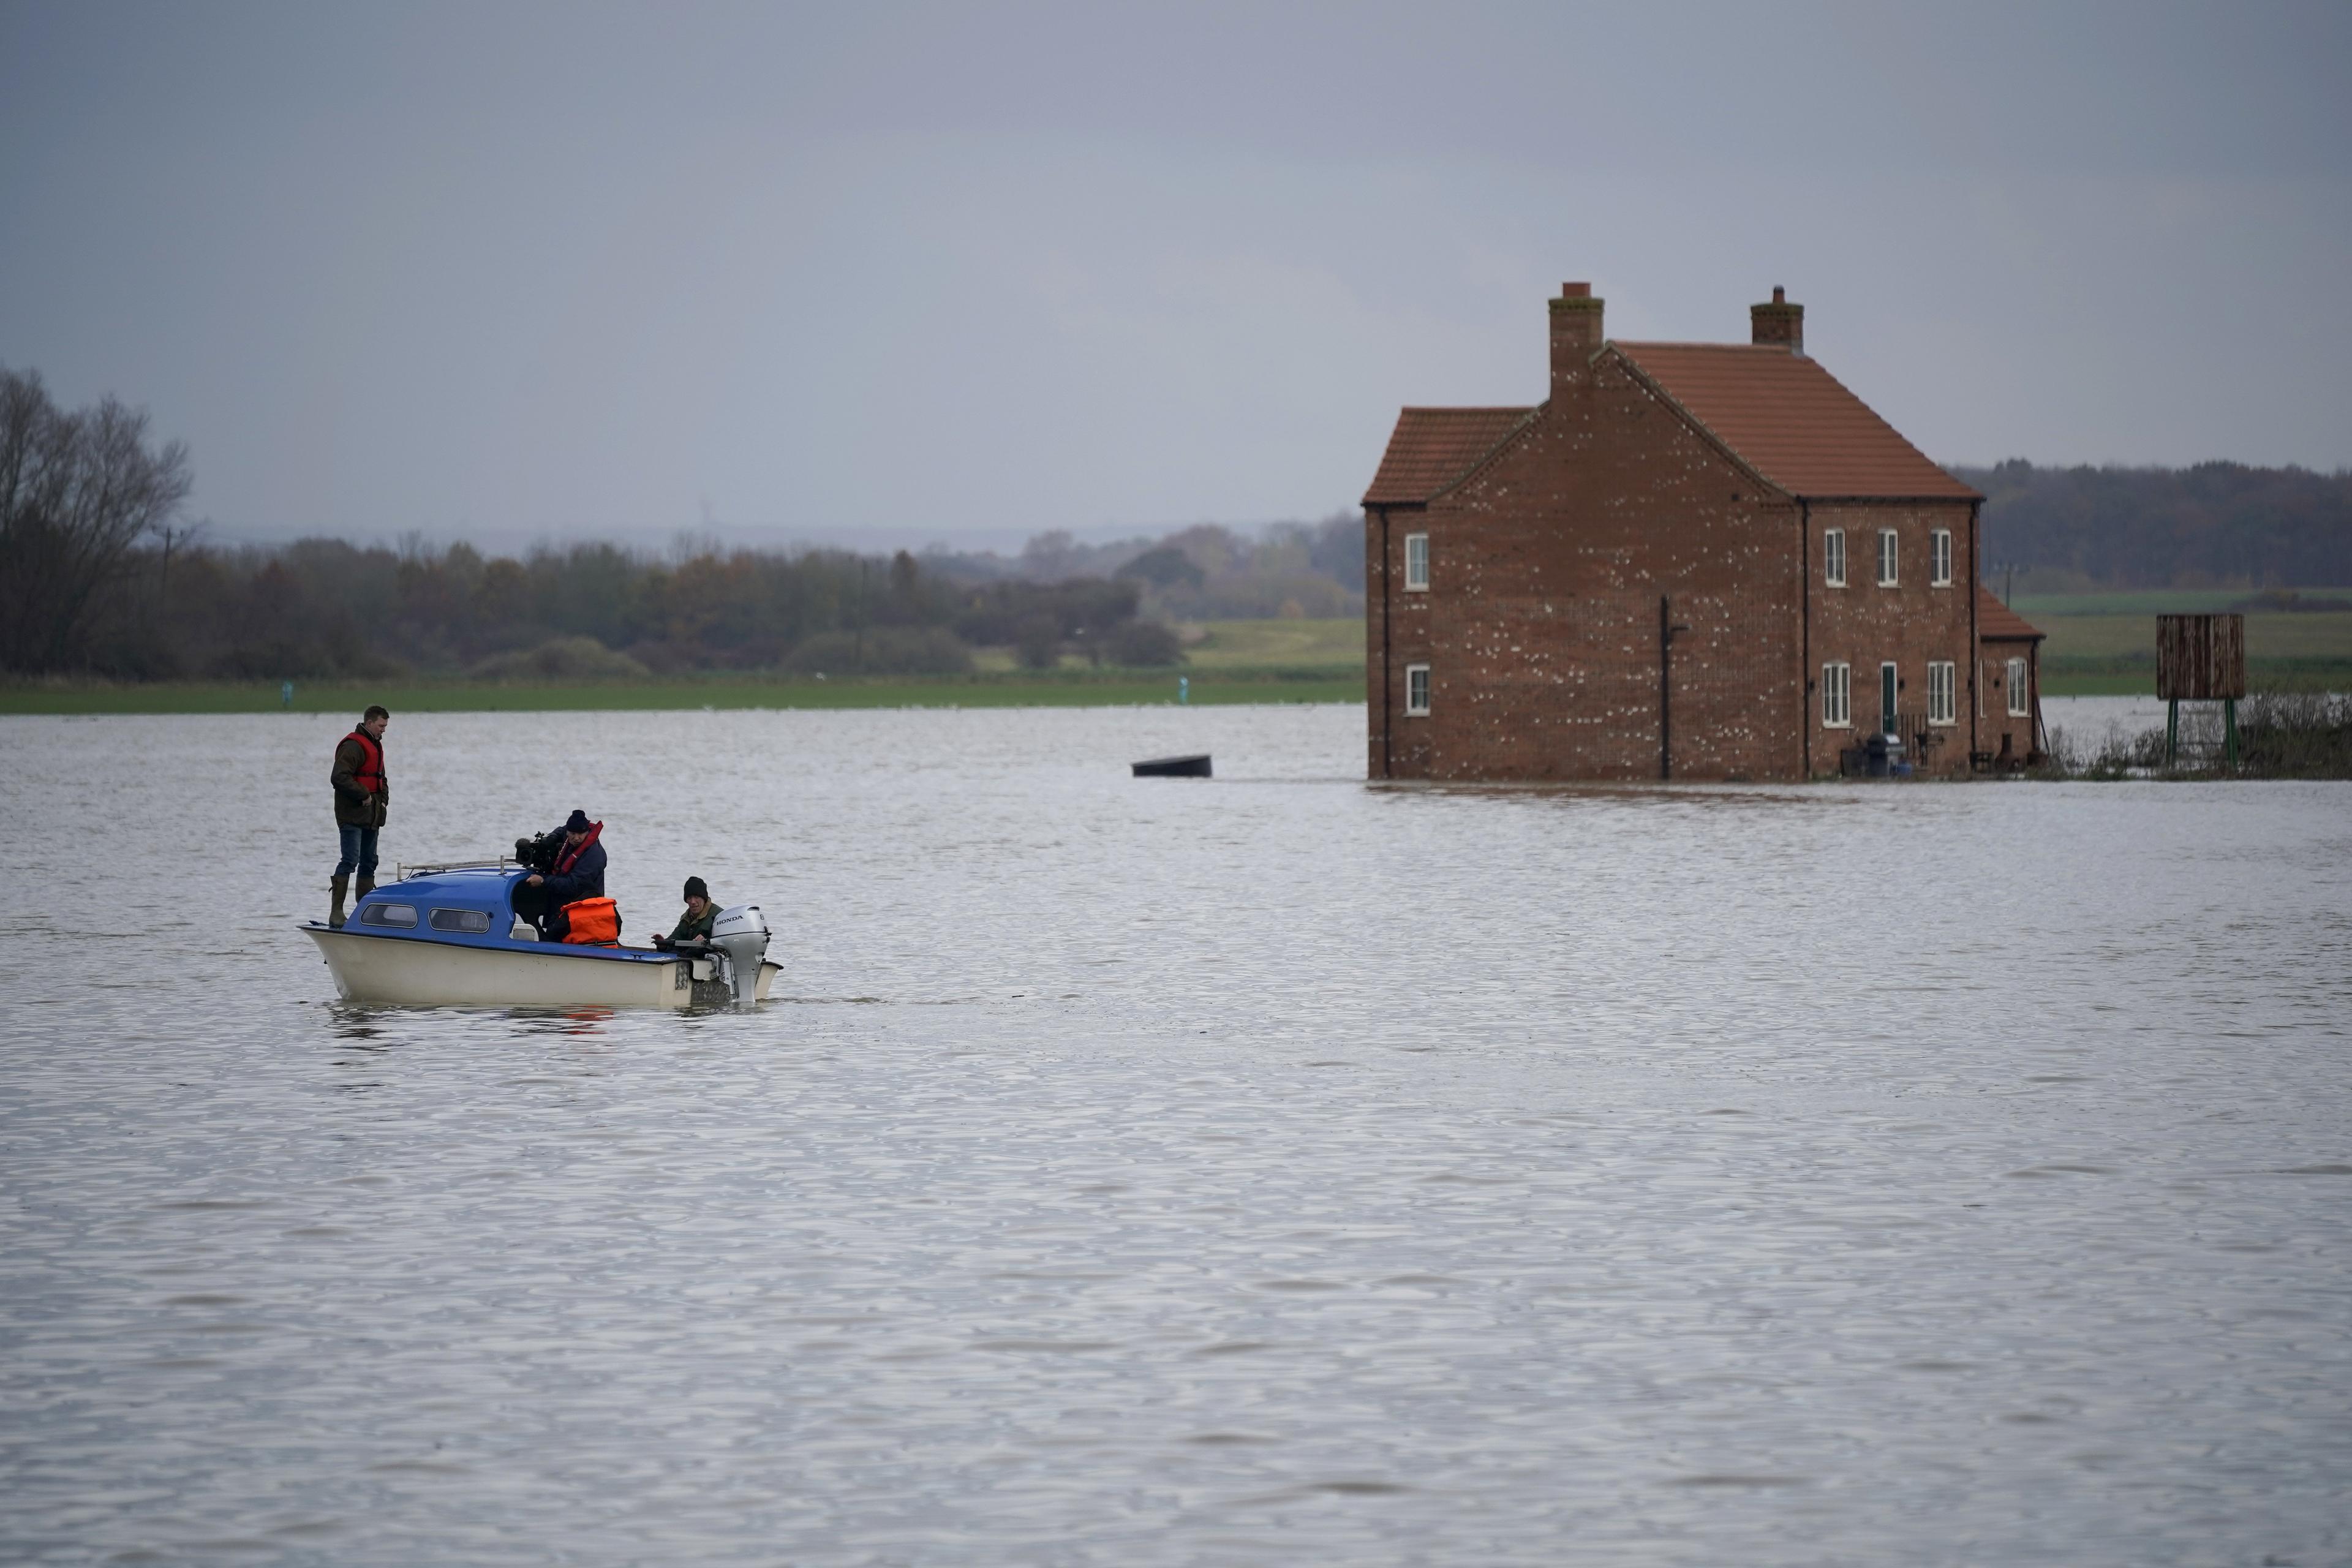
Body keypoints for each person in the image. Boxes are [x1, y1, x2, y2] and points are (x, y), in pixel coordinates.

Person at [328, 706, 390, 927]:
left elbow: (381, 778)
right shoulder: (353, 746)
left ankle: (365, 912)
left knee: (369, 862)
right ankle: (336, 913)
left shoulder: (376, 745)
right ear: (370, 723)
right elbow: (338, 777)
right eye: (382, 726)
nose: (384, 730)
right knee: (349, 861)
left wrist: (383, 801)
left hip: (372, 817)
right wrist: (363, 794)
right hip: (351, 816)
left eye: (385, 726)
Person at [514, 809, 606, 940]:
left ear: (587, 832)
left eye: (581, 834)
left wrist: (543, 881)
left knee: (557, 937)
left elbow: (573, 885)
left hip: (581, 911)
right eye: (573, 834)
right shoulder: (569, 837)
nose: (576, 838)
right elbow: (562, 830)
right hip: (563, 907)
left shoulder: (593, 855)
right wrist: (551, 838)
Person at [654, 877, 718, 951]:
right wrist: (663, 945)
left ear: (704, 898)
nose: (693, 902)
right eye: (690, 898)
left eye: (696, 897)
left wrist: (707, 941)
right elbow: (676, 938)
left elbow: (724, 942)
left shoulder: (718, 916)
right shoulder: (686, 919)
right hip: (689, 958)